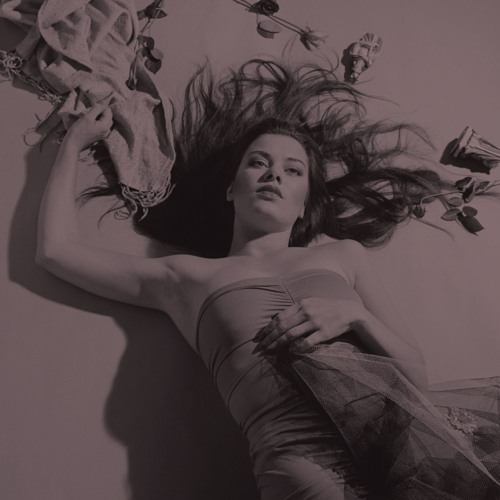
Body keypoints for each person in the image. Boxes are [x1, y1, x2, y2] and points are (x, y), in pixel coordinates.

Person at [36, 59, 500, 499]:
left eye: (292, 170)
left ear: (304, 204)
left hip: (404, 455)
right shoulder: (185, 276)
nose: (274, 174)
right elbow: (55, 252)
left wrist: (355, 316)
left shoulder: (344, 256)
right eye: (258, 163)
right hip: (306, 470)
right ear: (230, 188)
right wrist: (72, 145)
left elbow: (416, 377)